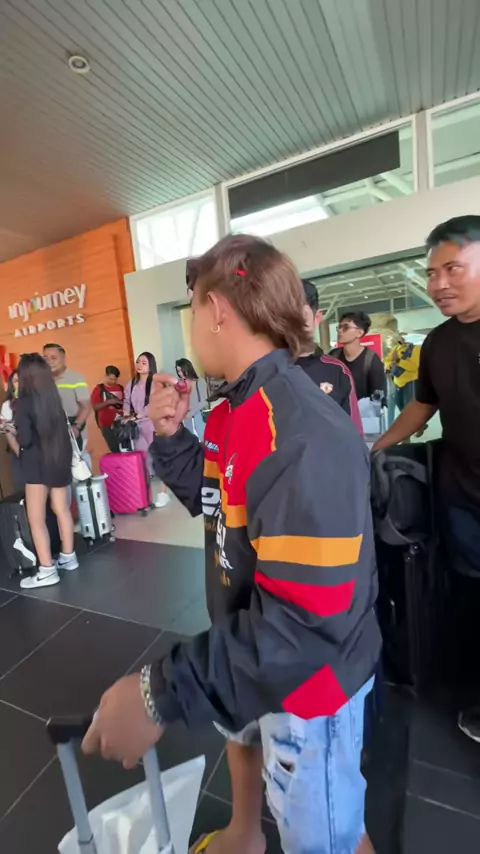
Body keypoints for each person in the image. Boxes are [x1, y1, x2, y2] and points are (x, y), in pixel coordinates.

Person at [82, 235, 380, 854]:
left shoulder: (299, 431)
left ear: (216, 309)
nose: (192, 327)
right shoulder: (234, 408)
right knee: (276, 783)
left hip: (309, 690)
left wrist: (159, 693)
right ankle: (245, 835)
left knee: (326, 836)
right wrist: (170, 435)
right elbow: (212, 498)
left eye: (192, 308)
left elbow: (303, 625)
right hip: (255, 651)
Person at [372, 215, 480, 742]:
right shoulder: (437, 343)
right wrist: (376, 448)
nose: (438, 284)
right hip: (462, 498)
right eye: (432, 273)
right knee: (471, 599)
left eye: (453, 269)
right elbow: (422, 406)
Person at [15, 353, 78, 589]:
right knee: (61, 509)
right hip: (58, 460)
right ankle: (69, 557)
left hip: (36, 465)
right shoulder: (53, 397)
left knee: (36, 518)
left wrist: (13, 429)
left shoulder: (25, 401)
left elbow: (25, 439)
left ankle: (47, 570)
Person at [298, 280, 363, 434]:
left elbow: (354, 433)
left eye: (301, 318)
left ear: (316, 318)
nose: (292, 327)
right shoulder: (265, 370)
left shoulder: (337, 371)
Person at [123, 352, 169, 507]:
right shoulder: (132, 383)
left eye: (144, 363)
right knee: (142, 460)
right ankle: (144, 496)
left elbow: (154, 404)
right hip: (137, 425)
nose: (139, 365)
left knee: (160, 458)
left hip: (153, 423)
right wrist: (126, 414)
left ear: (151, 366)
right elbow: (126, 401)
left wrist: (138, 415)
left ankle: (163, 494)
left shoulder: (156, 383)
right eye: (138, 362)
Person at [43, 343, 91, 462]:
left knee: (75, 467)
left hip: (72, 431)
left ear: (63, 358)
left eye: (54, 358)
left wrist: (76, 426)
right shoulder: (42, 380)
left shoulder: (76, 379)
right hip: (51, 434)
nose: (49, 362)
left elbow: (86, 406)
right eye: (46, 358)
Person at [330, 312, 387, 402]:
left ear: (359, 333)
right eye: (339, 327)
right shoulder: (333, 356)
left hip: (363, 410)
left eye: (345, 327)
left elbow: (379, 397)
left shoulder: (371, 360)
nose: (340, 330)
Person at [384, 335, 421, 413]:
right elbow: (386, 361)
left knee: (410, 410)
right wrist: (390, 365)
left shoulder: (416, 349)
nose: (400, 339)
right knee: (401, 408)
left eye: (402, 337)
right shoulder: (396, 348)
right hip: (397, 383)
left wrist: (398, 361)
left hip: (410, 383)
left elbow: (414, 366)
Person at [91, 366, 124, 453]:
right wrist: (109, 402)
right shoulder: (99, 389)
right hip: (106, 425)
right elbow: (95, 407)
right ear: (106, 376)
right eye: (111, 379)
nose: (113, 381)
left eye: (115, 379)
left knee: (125, 448)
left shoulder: (120, 388)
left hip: (122, 423)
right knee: (115, 449)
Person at [175, 357, 208, 440]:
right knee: (189, 440)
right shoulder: (179, 384)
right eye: (178, 371)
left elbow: (204, 401)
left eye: (181, 370)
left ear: (187, 368)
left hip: (198, 415)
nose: (180, 373)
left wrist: (190, 413)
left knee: (203, 438)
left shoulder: (199, 382)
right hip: (186, 417)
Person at [1, 370, 23, 490]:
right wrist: (22, 455)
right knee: (22, 488)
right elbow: (8, 432)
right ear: (12, 385)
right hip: (20, 453)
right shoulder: (8, 406)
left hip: (41, 453)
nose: (20, 383)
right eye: (16, 381)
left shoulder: (38, 401)